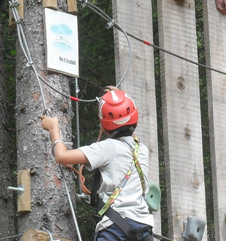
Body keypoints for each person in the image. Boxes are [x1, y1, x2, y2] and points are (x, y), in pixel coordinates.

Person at [41, 88, 154, 241]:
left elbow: (62, 156)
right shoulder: (142, 149)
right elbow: (127, 127)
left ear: (104, 124)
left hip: (115, 229)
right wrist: (118, 99)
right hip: (143, 228)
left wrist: (53, 128)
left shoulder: (107, 148)